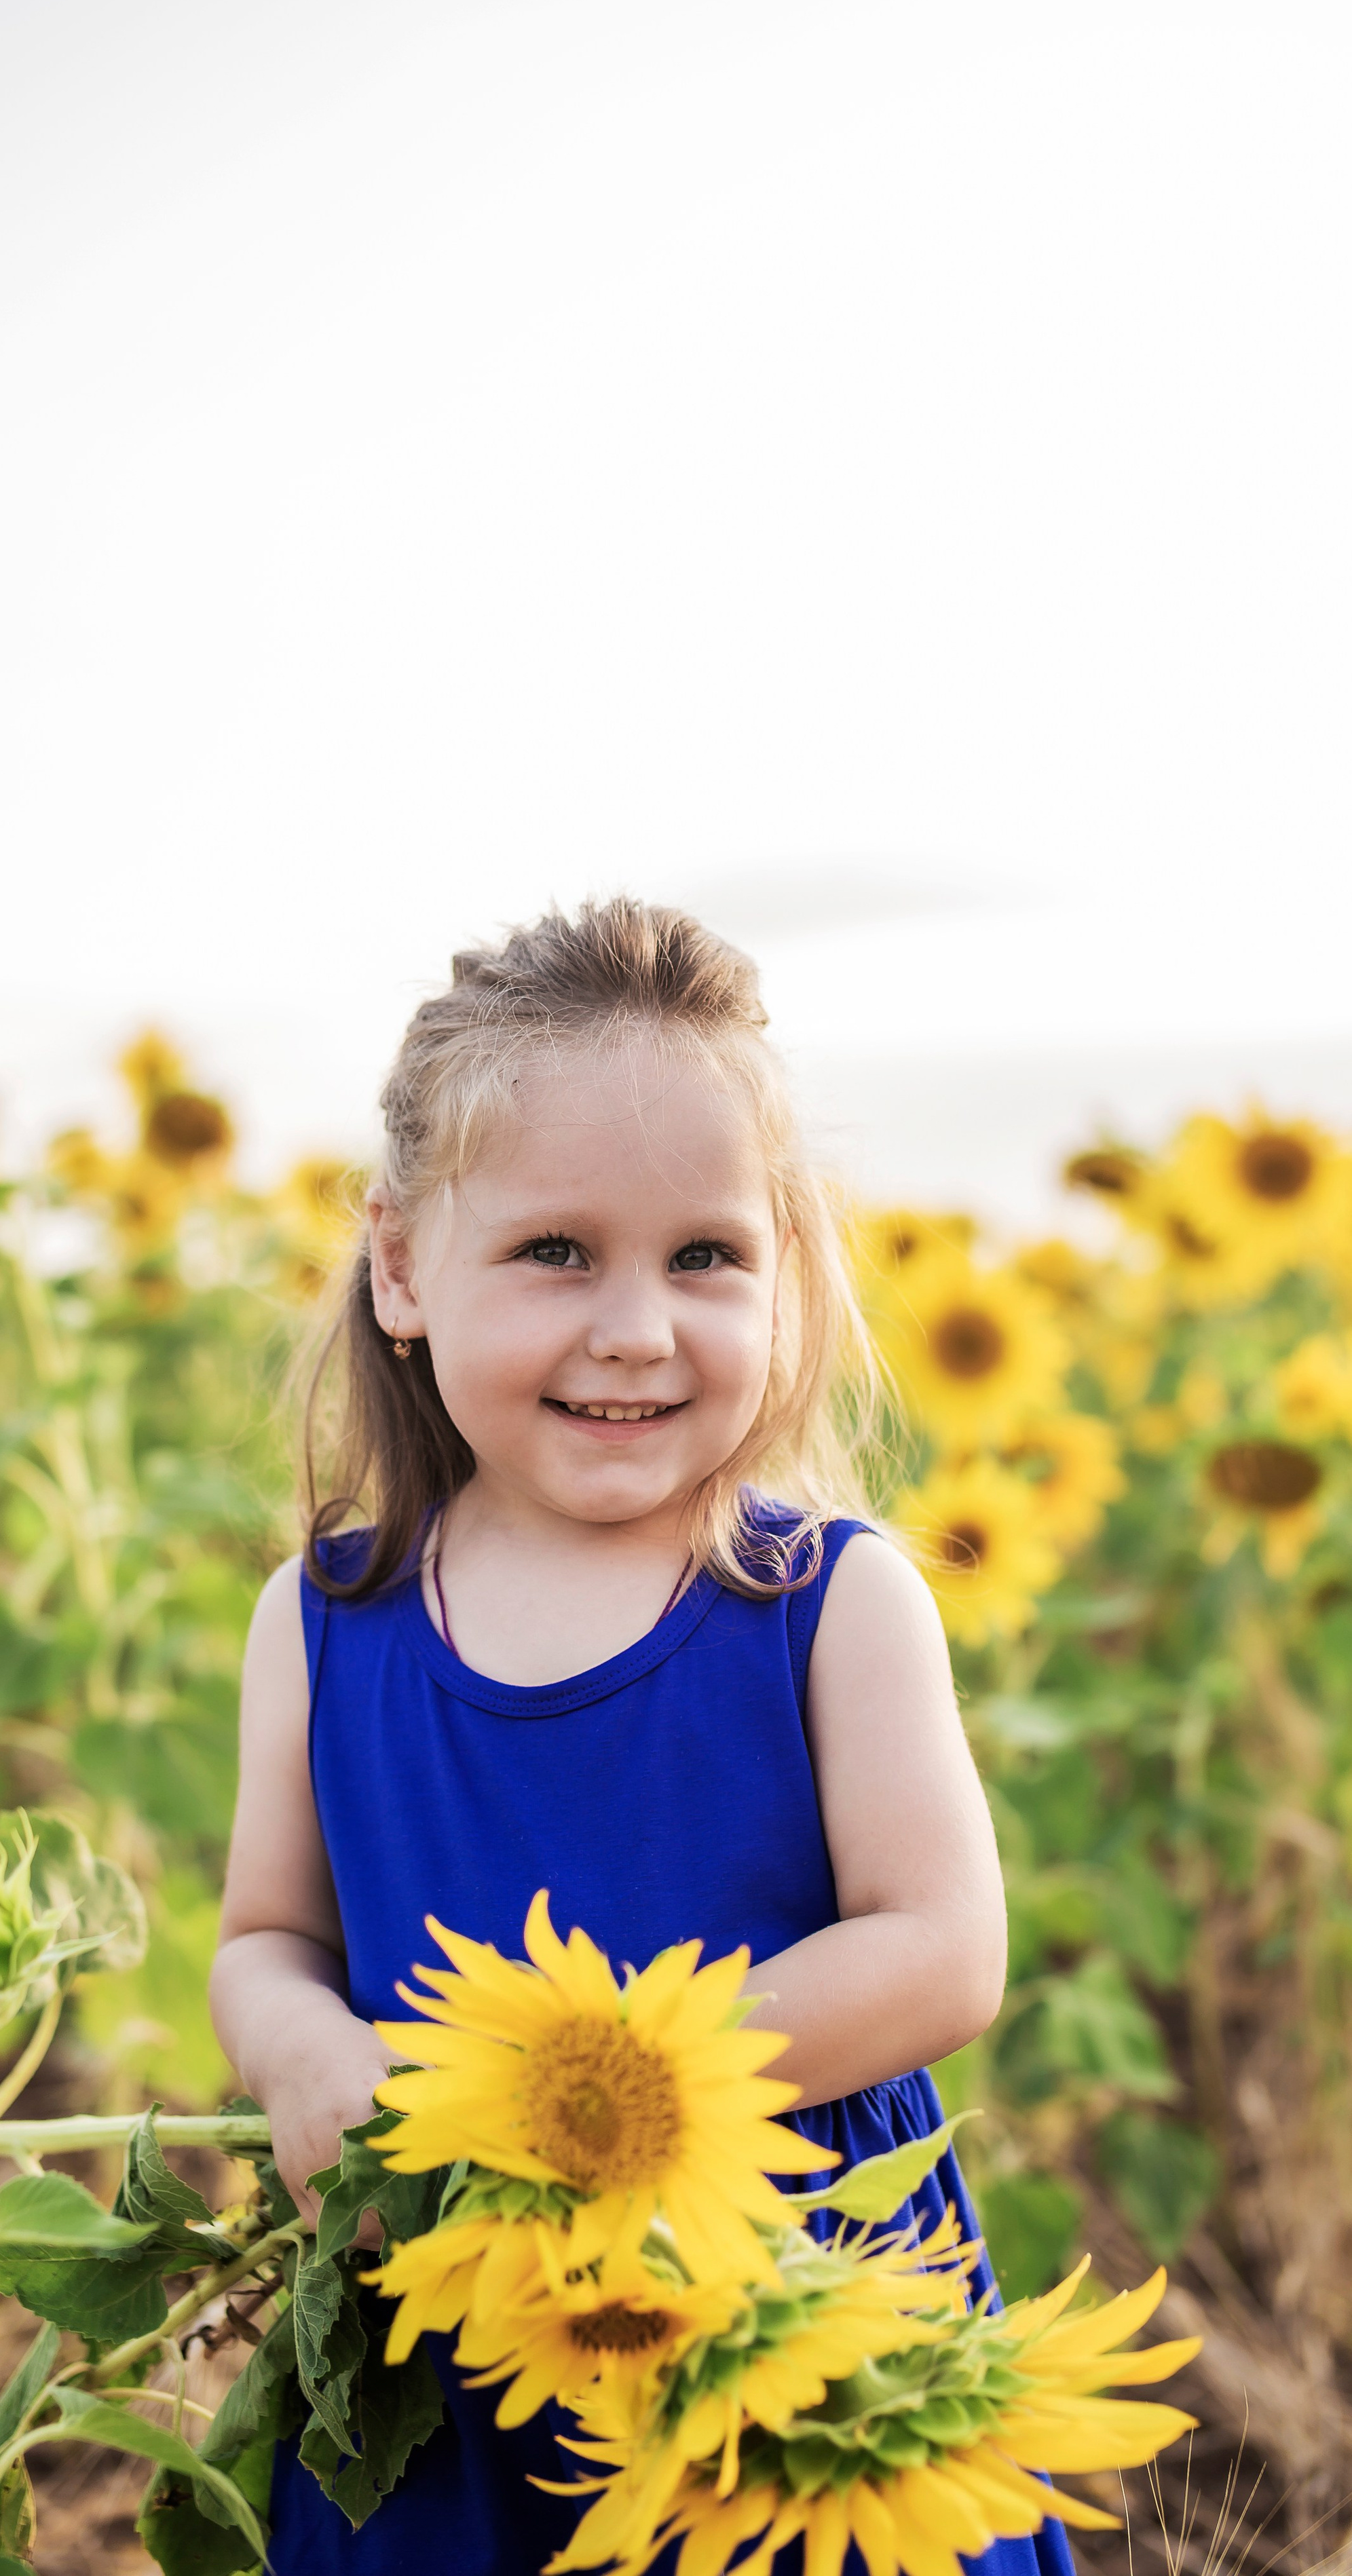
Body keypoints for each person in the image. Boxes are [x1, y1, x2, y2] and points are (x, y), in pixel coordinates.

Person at [210, 898, 1071, 2576]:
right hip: (454, 2328)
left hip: (786, 2321)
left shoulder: (827, 1603)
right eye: (555, 1251)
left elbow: (943, 1951)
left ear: (785, 1274)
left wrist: (608, 2096)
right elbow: (267, 1937)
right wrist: (303, 2054)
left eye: (704, 1257)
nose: (634, 1327)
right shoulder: (322, 1624)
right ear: (401, 1266)